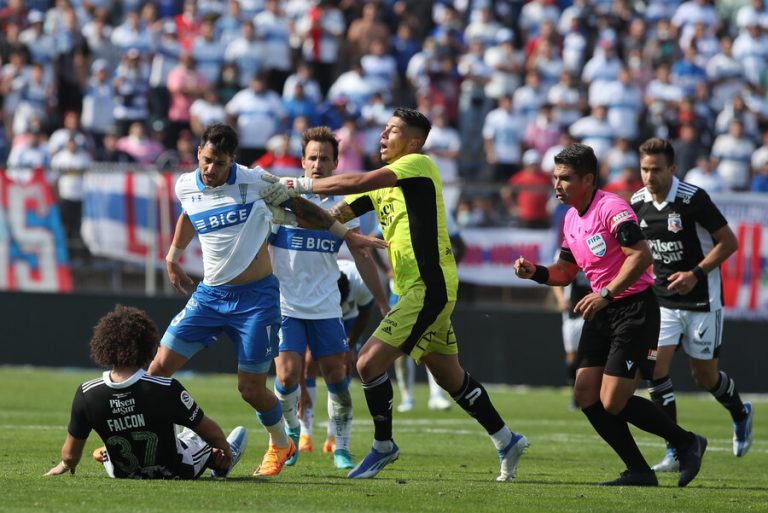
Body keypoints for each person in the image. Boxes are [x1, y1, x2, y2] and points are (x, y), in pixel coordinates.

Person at [261, 107, 528, 481]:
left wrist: (291, 184)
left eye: (393, 130)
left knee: (368, 363)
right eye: (384, 129)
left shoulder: (418, 165)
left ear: (414, 142)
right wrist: (276, 209)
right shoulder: (382, 185)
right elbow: (329, 217)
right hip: (411, 290)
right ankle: (506, 439)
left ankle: (383, 445)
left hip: (428, 287)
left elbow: (355, 181)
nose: (384, 135)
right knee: (450, 377)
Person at [146, 123, 385, 478]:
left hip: (257, 301)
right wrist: (172, 257)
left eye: (220, 163)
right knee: (156, 372)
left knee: (251, 389)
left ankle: (282, 443)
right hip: (209, 296)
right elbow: (187, 214)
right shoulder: (185, 185)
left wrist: (346, 235)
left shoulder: (255, 181)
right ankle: (150, 439)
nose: (210, 169)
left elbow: (304, 208)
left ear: (233, 161)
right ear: (198, 153)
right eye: (207, 160)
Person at [514, 143, 706, 487]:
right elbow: (564, 271)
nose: (557, 185)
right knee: (586, 394)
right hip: (603, 310)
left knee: (613, 400)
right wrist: (536, 272)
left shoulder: (612, 208)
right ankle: (639, 471)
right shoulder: (571, 218)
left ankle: (687, 442)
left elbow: (641, 255)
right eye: (555, 177)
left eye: (565, 178)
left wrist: (605, 293)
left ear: (588, 179)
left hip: (634, 309)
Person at [268, 126, 388, 471]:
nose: (318, 164)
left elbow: (362, 254)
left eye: (324, 158)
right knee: (288, 376)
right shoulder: (281, 199)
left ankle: (342, 447)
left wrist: (382, 302)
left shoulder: (344, 207)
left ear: (336, 163)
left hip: (326, 307)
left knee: (337, 376)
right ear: (302, 161)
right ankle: (290, 435)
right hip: (286, 305)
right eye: (312, 157)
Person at [630, 138, 753, 472]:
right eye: (644, 169)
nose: (649, 176)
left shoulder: (693, 199)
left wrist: (695, 274)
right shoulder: (637, 202)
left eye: (657, 169)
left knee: (705, 377)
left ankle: (740, 411)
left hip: (702, 299)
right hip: (662, 301)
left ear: (672, 169)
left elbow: (729, 243)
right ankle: (675, 449)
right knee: (655, 369)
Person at [45, 304, 247, 480]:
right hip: (175, 471)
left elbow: (70, 455)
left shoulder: (86, 394)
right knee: (197, 437)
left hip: (121, 473)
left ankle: (109, 452)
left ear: (103, 345)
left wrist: (65, 465)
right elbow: (211, 432)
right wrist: (225, 450)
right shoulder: (166, 387)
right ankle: (220, 462)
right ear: (147, 346)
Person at [300, 259, 379, 455]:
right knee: (309, 361)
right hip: (320, 315)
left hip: (349, 320)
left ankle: (333, 436)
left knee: (342, 369)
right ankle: (305, 433)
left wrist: (350, 346)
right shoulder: (312, 282)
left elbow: (366, 313)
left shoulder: (360, 281)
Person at [551, 268, 590, 410]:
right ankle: (575, 395)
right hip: (572, 313)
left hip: (594, 310)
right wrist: (561, 298)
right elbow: (554, 275)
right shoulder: (569, 256)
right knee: (572, 356)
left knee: (592, 353)